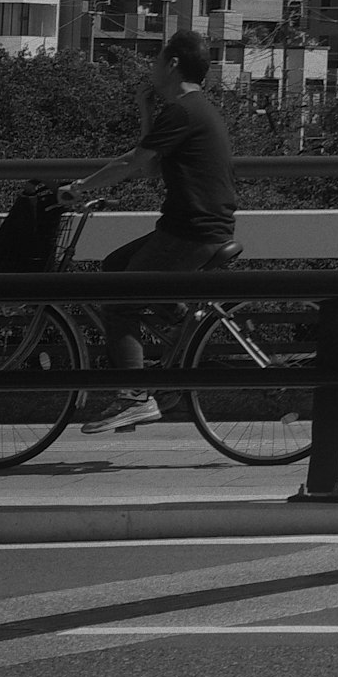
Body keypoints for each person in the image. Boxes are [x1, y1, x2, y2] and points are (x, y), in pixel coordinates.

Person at [62, 29, 240, 430]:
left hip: (192, 231)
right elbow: (154, 165)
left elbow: (132, 163)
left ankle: (134, 395)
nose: (151, 67)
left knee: (119, 300)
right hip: (193, 226)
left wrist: (77, 189)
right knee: (114, 267)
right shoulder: (191, 108)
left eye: (156, 60)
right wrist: (145, 110)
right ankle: (180, 340)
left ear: (173, 64)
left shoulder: (184, 111)